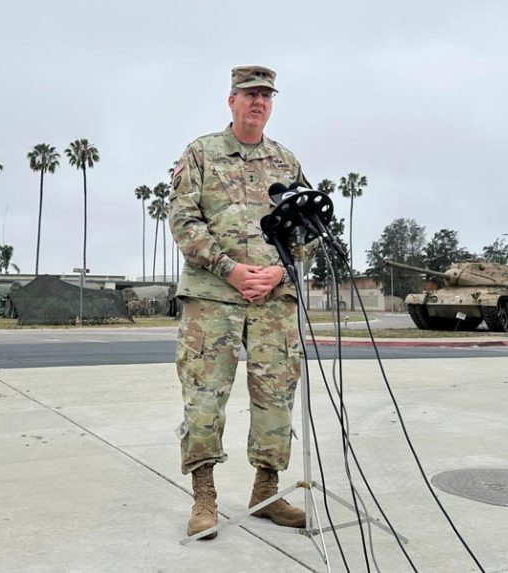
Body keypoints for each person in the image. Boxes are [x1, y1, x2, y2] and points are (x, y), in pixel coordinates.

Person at [169, 65, 310, 539]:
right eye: (250, 93)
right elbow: (183, 220)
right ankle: (204, 497)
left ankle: (266, 493)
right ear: (232, 100)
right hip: (213, 299)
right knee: (204, 398)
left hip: (273, 301)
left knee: (276, 398)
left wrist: (281, 271)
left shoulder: (286, 162)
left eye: (266, 95)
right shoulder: (202, 153)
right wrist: (228, 268)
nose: (259, 102)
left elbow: (309, 229)